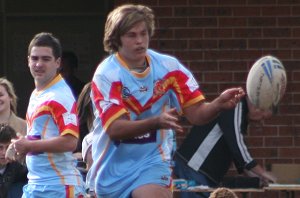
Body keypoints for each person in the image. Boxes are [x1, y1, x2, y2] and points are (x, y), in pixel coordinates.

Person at [88, 4, 245, 198]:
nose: (140, 41)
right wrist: (156, 122)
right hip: (111, 171)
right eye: (131, 35)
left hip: (152, 162)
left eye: (144, 34)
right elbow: (115, 129)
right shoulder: (107, 74)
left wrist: (218, 105)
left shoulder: (169, 67)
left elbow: (196, 114)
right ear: (116, 39)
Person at [13, 32, 86, 197]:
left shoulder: (60, 96)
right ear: (28, 61)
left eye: (46, 59)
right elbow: (41, 136)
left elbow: (70, 141)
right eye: (34, 58)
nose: (38, 64)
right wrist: (20, 144)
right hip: (36, 185)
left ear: (58, 62)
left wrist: (29, 146)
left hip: (59, 187)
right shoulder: (38, 93)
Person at [173, 96, 277, 198]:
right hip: (195, 167)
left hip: (201, 171)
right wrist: (262, 173)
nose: (261, 121)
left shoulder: (240, 114)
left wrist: (255, 176)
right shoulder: (235, 107)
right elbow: (237, 145)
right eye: (262, 117)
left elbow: (235, 150)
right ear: (258, 108)